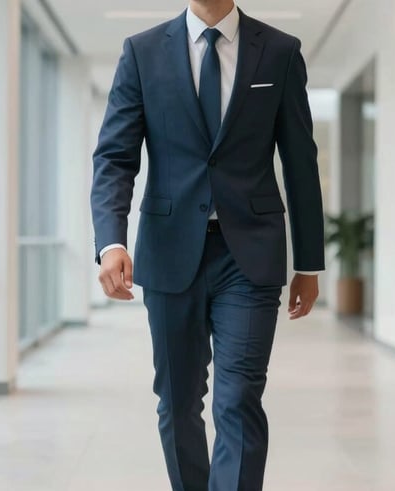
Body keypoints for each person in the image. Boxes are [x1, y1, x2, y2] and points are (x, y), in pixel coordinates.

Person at [90, 0, 324, 488]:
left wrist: (309, 262)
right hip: (171, 252)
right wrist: (110, 241)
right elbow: (115, 157)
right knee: (177, 403)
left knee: (238, 399)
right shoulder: (143, 52)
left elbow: (300, 161)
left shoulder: (280, 51)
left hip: (251, 255)